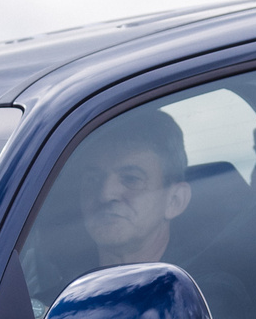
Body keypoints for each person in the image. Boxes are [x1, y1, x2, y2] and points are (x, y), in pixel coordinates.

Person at [75, 106, 192, 267]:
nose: (105, 194)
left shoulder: (198, 289)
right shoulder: (63, 291)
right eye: (93, 179)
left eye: (131, 179)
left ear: (174, 201)